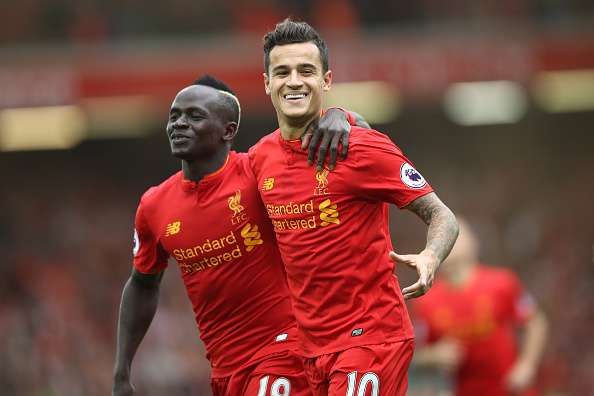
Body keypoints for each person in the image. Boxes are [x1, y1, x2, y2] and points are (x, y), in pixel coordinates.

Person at [112, 76, 361, 396]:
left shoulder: (259, 170)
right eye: (174, 116)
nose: (179, 124)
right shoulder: (154, 205)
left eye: (194, 116)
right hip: (225, 367)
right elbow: (143, 283)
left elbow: (349, 130)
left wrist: (339, 115)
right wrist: (122, 370)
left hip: (286, 350)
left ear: (228, 131)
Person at [248, 19, 459, 396]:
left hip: (372, 337)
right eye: (282, 72)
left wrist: (431, 256)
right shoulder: (258, 160)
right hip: (309, 347)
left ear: (326, 80)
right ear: (267, 83)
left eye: (306, 71)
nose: (294, 81)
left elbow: (442, 216)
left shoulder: (361, 148)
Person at [410, 218, 548, 396]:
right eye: (440, 235)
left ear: (473, 242)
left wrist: (527, 365)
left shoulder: (502, 282)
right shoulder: (425, 301)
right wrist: (434, 355)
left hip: (511, 389)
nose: (448, 239)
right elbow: (413, 353)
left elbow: (536, 323)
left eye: (455, 233)